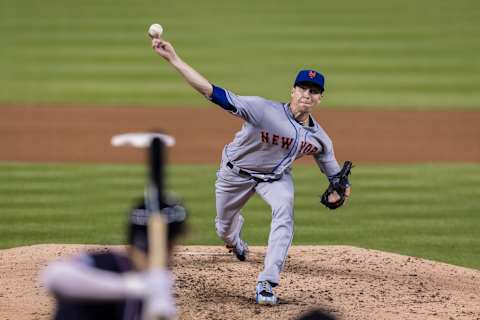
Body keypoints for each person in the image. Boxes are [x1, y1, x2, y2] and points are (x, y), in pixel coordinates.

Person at [150, 37, 351, 305]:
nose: (307, 94)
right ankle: (235, 241)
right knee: (223, 228)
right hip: (235, 174)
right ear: (292, 90)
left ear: (320, 98)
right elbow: (211, 92)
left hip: (276, 179)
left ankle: (267, 282)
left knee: (285, 210)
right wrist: (174, 59)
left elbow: (336, 177)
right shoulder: (261, 110)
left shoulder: (320, 139)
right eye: (303, 88)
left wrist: (343, 190)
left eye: (313, 91)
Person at [41, 197, 187, 320]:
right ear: (168, 244)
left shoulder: (157, 284)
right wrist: (136, 287)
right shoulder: (110, 264)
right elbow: (55, 276)